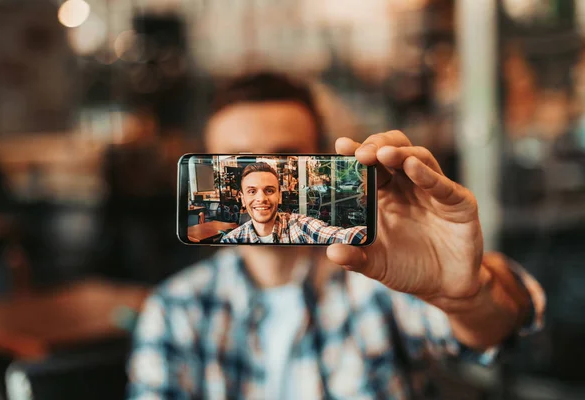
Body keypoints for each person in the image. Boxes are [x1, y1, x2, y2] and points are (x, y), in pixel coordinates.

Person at [127, 72, 545, 399]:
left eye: (284, 158)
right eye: (241, 162)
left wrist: (468, 295)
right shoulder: (175, 311)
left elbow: (499, 326)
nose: (262, 182)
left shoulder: (379, 277)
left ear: (317, 161)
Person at [220, 162, 366, 244]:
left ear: (279, 196)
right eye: (252, 191)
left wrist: (372, 237)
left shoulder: (300, 226)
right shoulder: (231, 240)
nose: (261, 198)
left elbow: (342, 236)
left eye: (269, 190)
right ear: (242, 199)